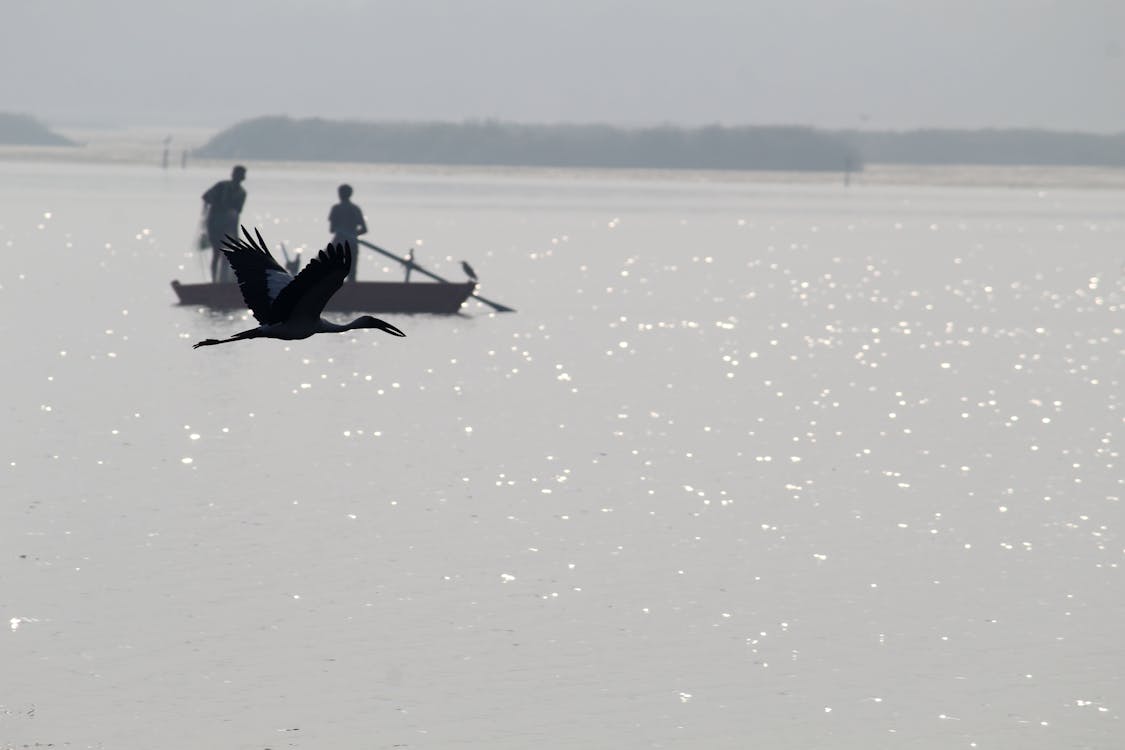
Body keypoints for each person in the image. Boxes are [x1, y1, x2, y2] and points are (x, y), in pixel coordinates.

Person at [201, 165, 247, 282]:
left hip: (230, 226)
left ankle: (224, 282)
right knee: (216, 253)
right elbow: (206, 197)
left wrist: (236, 234)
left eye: (241, 175)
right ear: (233, 175)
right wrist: (206, 216)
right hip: (215, 225)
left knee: (228, 255)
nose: (239, 177)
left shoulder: (242, 193)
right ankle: (214, 282)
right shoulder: (222, 186)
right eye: (237, 174)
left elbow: (236, 214)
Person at [328, 184, 368, 281]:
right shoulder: (355, 208)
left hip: (339, 243)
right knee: (351, 271)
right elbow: (364, 229)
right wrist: (353, 234)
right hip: (352, 243)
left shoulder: (336, 209)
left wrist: (347, 233)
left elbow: (332, 229)